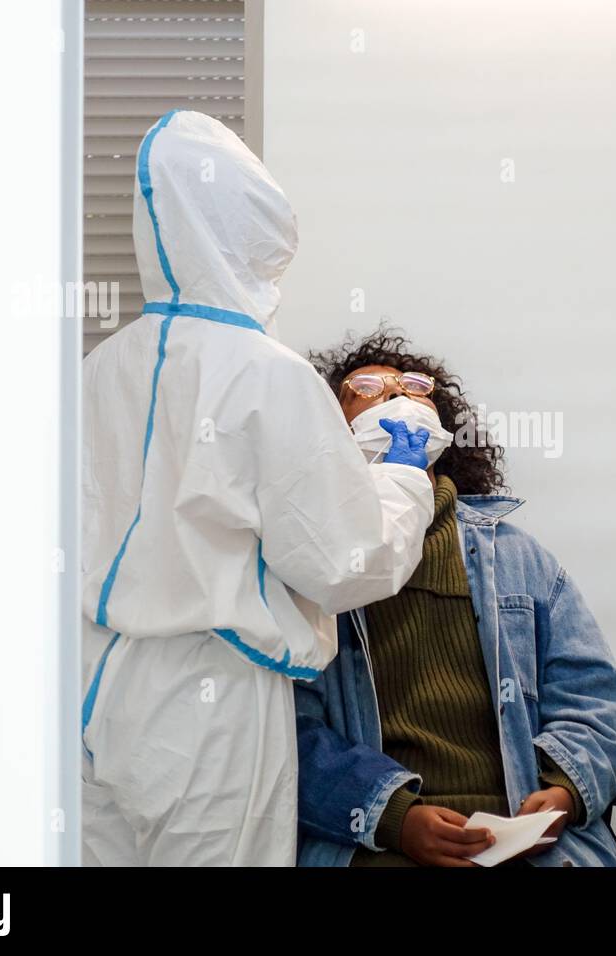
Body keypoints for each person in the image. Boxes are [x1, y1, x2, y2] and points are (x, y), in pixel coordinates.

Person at [80, 112, 435, 866]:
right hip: (212, 702)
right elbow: (344, 562)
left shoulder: (99, 371)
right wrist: (403, 473)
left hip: (92, 686)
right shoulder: (268, 375)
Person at [296, 327, 616, 867]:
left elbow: (594, 701)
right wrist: (394, 817)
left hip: (528, 843)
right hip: (378, 845)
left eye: (411, 390)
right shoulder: (306, 567)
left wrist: (565, 789)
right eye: (368, 390)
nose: (395, 399)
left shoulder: (522, 561)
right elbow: (288, 731)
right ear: (330, 432)